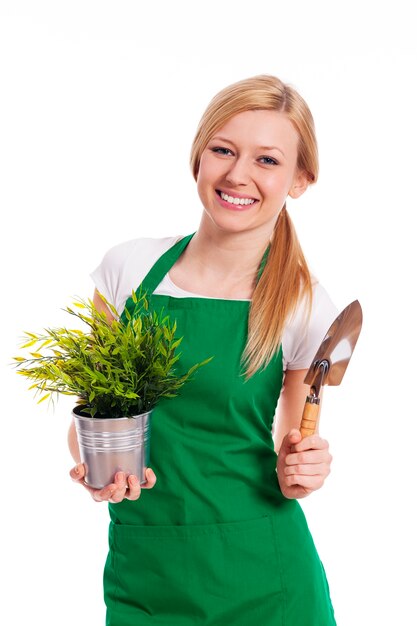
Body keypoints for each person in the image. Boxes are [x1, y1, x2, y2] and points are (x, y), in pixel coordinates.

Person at [68, 74, 338, 625]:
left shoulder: (303, 304)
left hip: (267, 578)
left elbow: (293, 451)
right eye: (223, 150)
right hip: (147, 569)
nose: (238, 174)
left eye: (267, 160)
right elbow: (91, 423)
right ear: (198, 158)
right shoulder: (130, 269)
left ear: (300, 180)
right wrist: (99, 464)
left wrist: (306, 468)